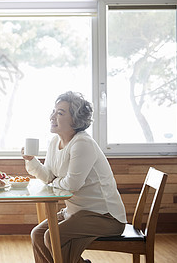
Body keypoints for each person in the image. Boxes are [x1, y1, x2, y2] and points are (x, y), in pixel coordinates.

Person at [22, 91, 126, 263]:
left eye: (60, 113)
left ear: (75, 120)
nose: (52, 116)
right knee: (38, 234)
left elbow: (72, 185)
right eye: (54, 111)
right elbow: (48, 176)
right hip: (75, 212)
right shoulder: (55, 142)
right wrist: (31, 160)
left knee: (52, 237)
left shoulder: (82, 143)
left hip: (104, 216)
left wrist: (54, 182)